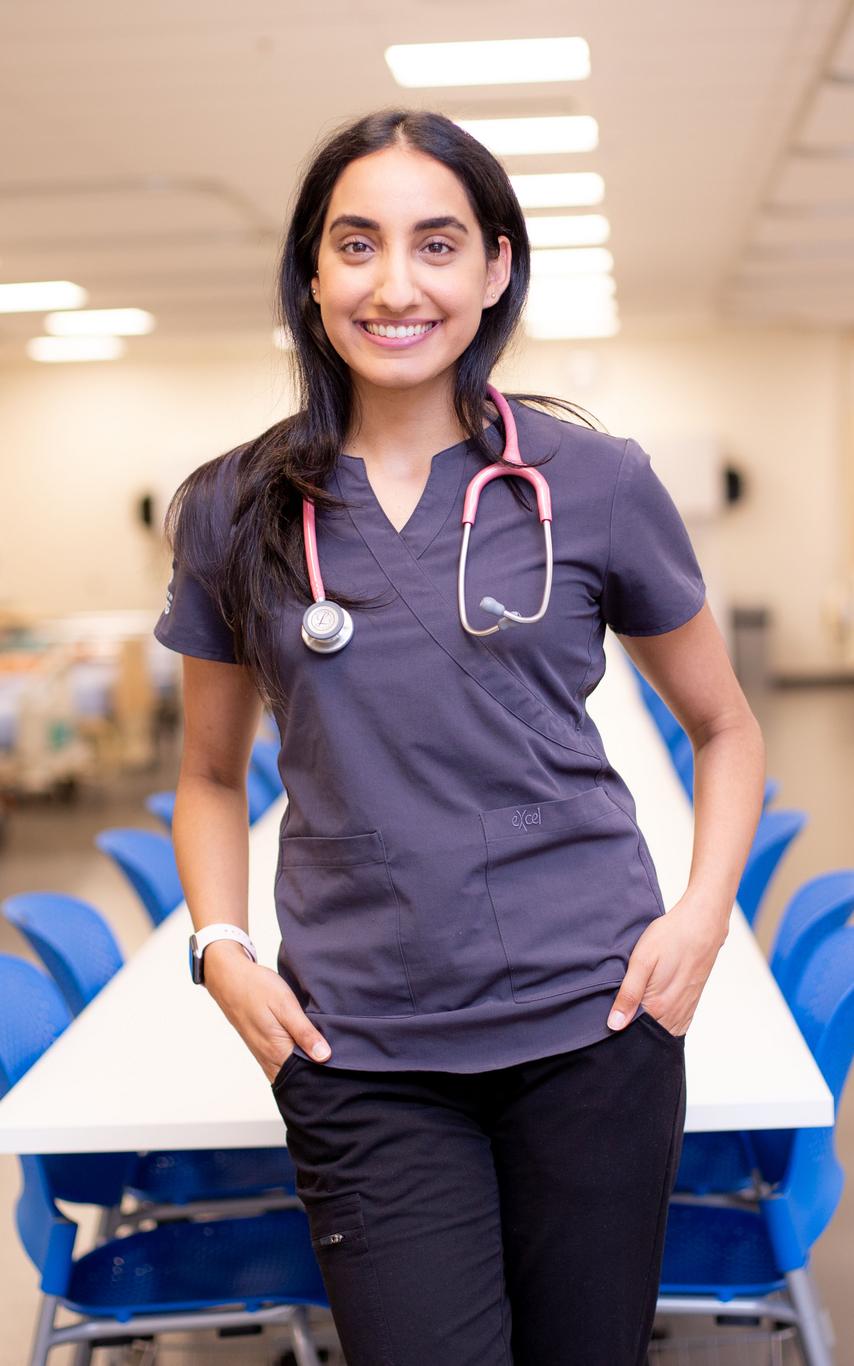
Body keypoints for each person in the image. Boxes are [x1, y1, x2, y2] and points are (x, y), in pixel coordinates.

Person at [153, 108, 766, 1366]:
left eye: (436, 245)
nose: (394, 284)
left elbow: (725, 725)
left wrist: (700, 913)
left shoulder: (591, 482)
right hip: (357, 1046)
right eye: (356, 244)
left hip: (592, 1023)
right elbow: (209, 774)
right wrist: (220, 948)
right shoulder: (231, 508)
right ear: (311, 275)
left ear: (493, 268)